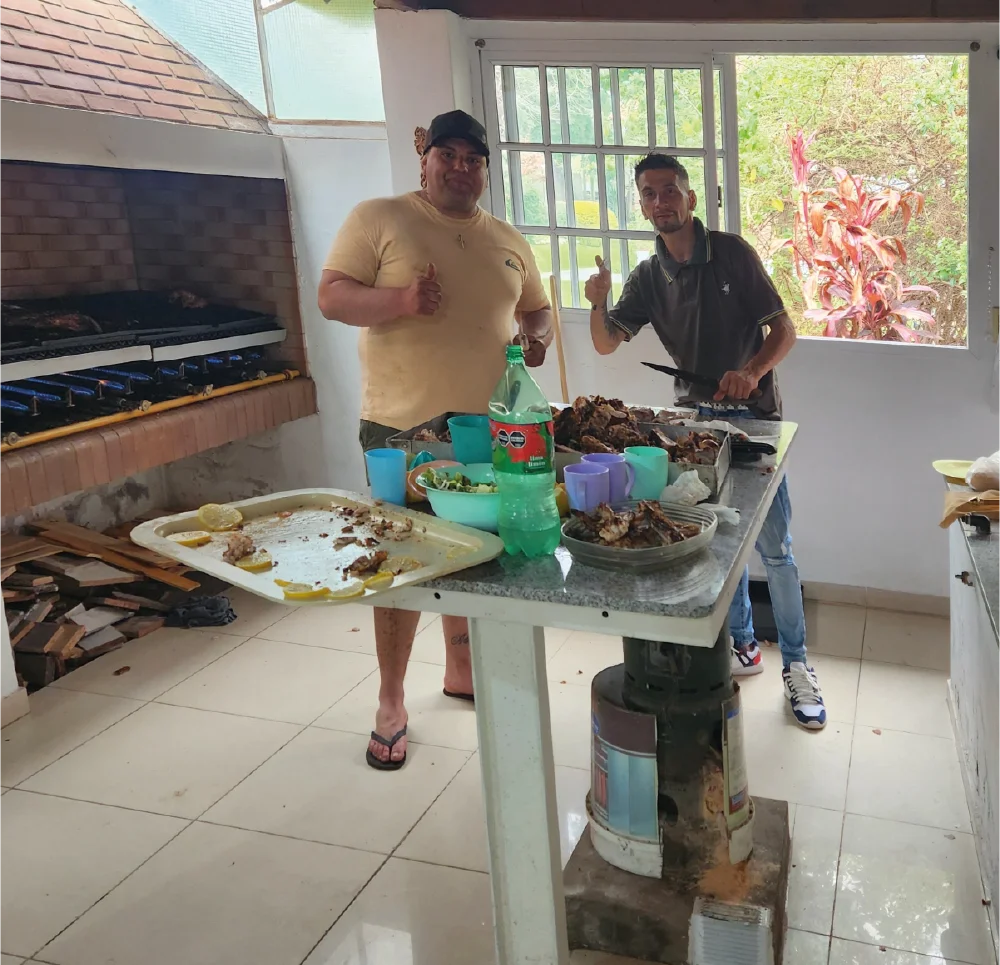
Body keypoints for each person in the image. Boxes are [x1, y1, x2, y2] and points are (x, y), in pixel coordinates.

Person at [318, 110, 554, 768]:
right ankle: (391, 701)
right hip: (402, 430)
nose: (459, 168)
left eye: (472, 159)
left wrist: (535, 339)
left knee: (476, 552)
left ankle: (461, 668)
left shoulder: (507, 238)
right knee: (399, 562)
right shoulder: (381, 218)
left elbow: (538, 309)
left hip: (489, 430)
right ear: (424, 160)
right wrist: (401, 302)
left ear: (486, 170)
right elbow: (331, 297)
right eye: (446, 155)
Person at [584, 152, 826, 731]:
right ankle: (743, 644)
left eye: (670, 190)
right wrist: (597, 301)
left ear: (690, 197)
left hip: (757, 422)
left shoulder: (732, 253)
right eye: (649, 193)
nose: (660, 201)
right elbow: (605, 342)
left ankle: (797, 665)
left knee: (775, 549)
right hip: (695, 427)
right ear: (642, 205)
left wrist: (752, 370)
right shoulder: (649, 275)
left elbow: (785, 330)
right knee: (719, 543)